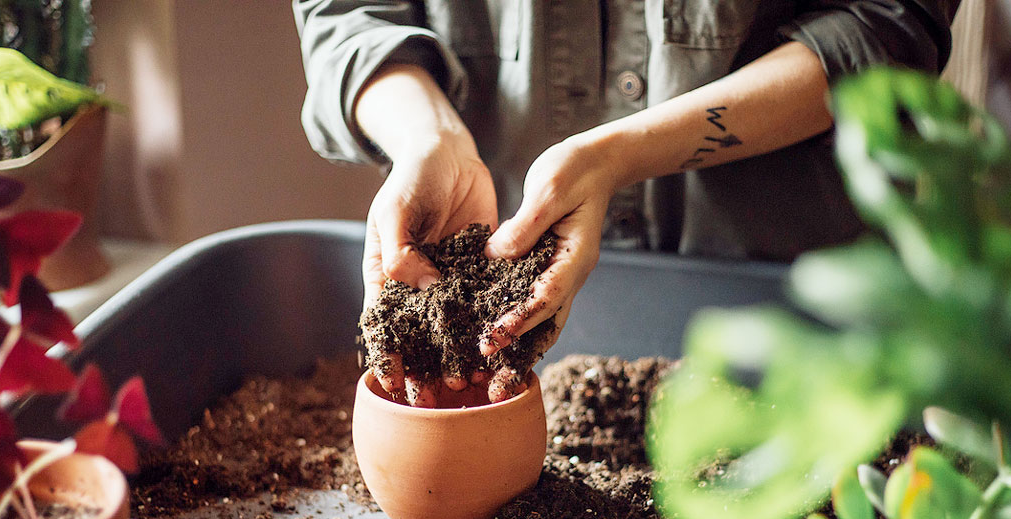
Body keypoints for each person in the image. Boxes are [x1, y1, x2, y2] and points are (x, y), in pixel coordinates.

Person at [293, 0, 957, 406]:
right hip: (500, 227)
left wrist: (621, 155)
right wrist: (425, 136)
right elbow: (346, 11)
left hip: (795, 299)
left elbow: (887, 23)